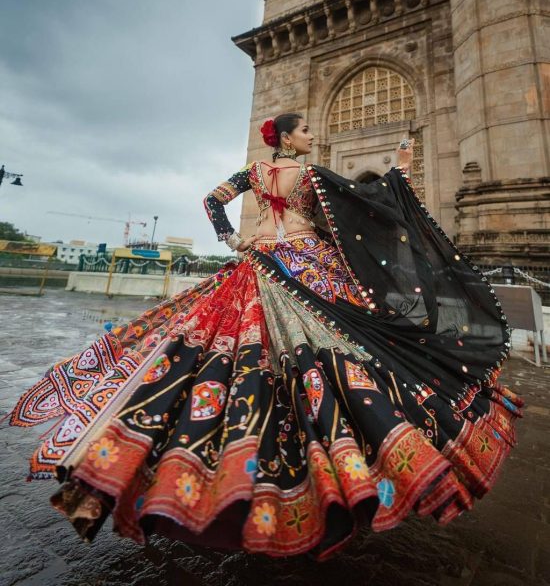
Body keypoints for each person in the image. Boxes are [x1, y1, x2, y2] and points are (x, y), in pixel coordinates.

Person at [8, 113, 522, 560]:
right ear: (289, 137)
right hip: (310, 265)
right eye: (306, 131)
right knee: (352, 348)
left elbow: (211, 200)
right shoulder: (310, 176)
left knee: (232, 350)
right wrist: (401, 167)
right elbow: (365, 207)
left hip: (262, 261)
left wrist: (231, 239)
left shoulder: (253, 173)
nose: (312, 137)